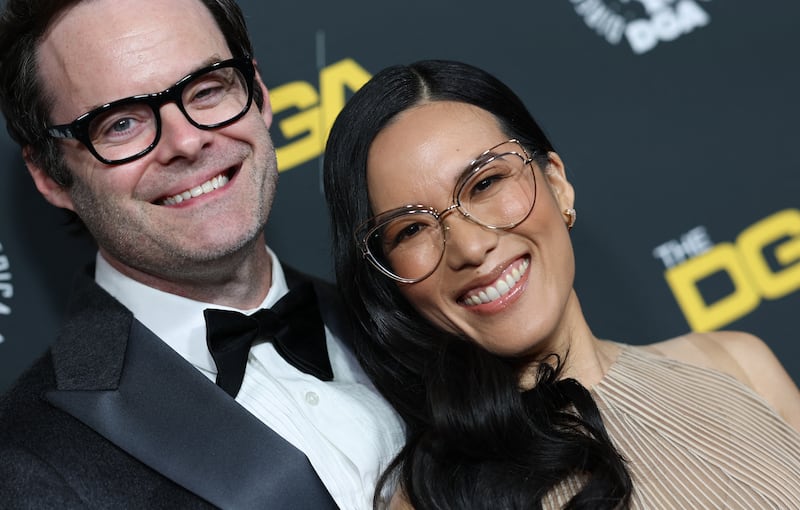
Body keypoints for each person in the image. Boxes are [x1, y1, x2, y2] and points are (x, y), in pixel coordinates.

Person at [322, 59, 800, 509]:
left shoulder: (737, 365)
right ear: (388, 279)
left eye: (485, 184)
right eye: (411, 229)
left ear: (557, 184)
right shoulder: (431, 501)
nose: (468, 247)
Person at [0, 0, 404, 508]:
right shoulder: (26, 460)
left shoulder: (410, 321)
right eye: (120, 123)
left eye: (206, 89)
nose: (187, 142)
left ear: (257, 93)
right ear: (49, 174)